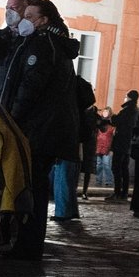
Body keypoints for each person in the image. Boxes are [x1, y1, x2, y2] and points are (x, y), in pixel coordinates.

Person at [0, 0, 81, 260]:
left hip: (38, 128)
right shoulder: (53, 44)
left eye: (30, 15)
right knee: (35, 185)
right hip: (48, 127)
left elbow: (31, 86)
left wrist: (12, 116)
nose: (25, 19)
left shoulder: (43, 44)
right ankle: (27, 242)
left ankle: (28, 244)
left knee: (32, 185)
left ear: (43, 21)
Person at [54, 71, 97, 222]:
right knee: (69, 178)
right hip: (76, 144)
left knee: (63, 178)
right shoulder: (84, 109)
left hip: (66, 144)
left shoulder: (69, 106)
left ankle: (63, 212)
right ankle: (70, 210)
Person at [110, 91, 138, 200]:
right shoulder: (135, 110)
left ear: (129, 98)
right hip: (128, 143)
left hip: (120, 142)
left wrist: (113, 116)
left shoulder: (126, 110)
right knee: (124, 168)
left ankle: (117, 192)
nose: (124, 99)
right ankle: (124, 193)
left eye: (126, 97)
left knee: (116, 167)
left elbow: (116, 121)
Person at [91, 108, 112, 195]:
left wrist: (111, 149)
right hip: (99, 146)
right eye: (104, 111)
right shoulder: (98, 123)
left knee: (106, 165)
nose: (105, 113)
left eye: (106, 112)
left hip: (107, 147)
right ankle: (98, 180)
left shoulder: (111, 124)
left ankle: (108, 181)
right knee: (99, 165)